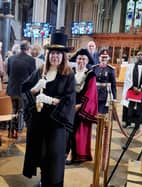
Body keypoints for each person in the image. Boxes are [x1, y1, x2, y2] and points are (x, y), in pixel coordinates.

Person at [22, 32, 76, 187]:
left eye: (59, 53)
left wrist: (51, 100)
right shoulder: (40, 71)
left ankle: (53, 184)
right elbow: (24, 89)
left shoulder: (68, 75)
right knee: (40, 154)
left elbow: (69, 100)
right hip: (39, 122)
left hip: (56, 123)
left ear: (63, 56)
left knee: (54, 157)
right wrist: (34, 89)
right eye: (52, 53)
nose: (55, 56)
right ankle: (43, 181)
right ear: (48, 55)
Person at [65, 48, 98, 164]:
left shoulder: (91, 74)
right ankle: (66, 151)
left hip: (82, 107)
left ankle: (72, 154)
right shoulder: (70, 71)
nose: (81, 61)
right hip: (69, 105)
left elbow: (91, 92)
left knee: (77, 132)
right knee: (67, 130)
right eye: (79, 58)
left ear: (88, 60)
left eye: (84, 59)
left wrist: (80, 106)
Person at [7, 40, 36, 137]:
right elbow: (33, 77)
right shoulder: (31, 60)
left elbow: (9, 73)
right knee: (21, 109)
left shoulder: (11, 58)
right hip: (23, 90)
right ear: (28, 49)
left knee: (13, 110)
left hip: (11, 88)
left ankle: (11, 130)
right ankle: (18, 130)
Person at [121, 49, 142, 128]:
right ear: (136, 56)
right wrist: (133, 87)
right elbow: (127, 78)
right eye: (138, 55)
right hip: (132, 90)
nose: (140, 56)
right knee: (129, 106)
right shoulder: (131, 66)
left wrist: (141, 88)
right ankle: (127, 122)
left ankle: (137, 123)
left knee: (140, 108)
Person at [92, 49, 117, 114]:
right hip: (94, 93)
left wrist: (114, 97)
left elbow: (113, 85)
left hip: (105, 94)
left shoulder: (111, 69)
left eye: (105, 57)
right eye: (102, 57)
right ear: (99, 58)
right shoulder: (94, 68)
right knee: (93, 112)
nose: (104, 59)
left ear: (108, 58)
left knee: (102, 113)